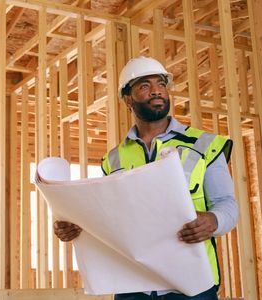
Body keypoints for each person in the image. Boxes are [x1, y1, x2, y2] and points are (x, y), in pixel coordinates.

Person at [53, 56, 239, 300]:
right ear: (128, 99)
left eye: (161, 84)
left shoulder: (204, 145)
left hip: (190, 286)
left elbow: (228, 204)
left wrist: (214, 221)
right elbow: (109, 217)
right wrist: (78, 226)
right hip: (132, 286)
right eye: (144, 86)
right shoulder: (114, 158)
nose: (156, 91)